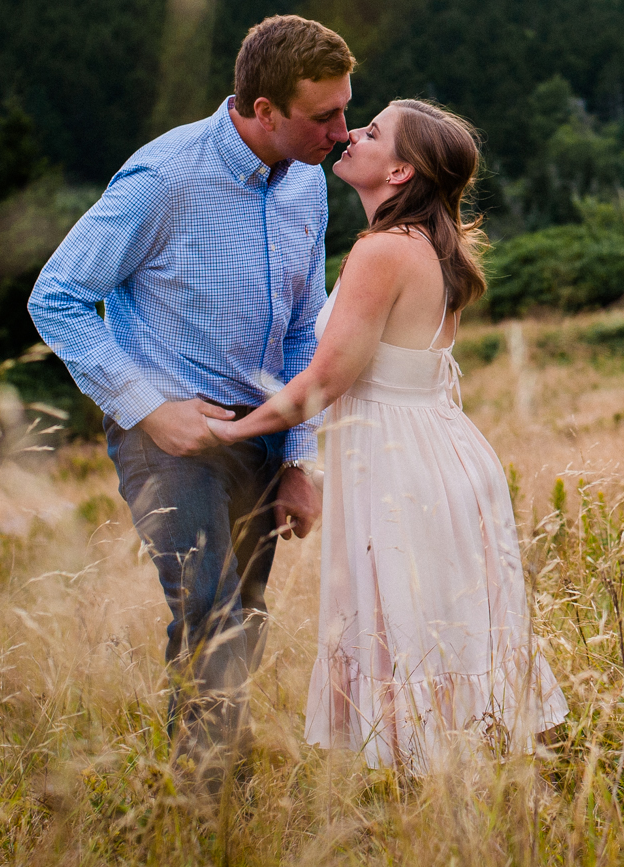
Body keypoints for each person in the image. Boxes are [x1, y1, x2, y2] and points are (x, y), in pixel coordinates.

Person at [26, 15, 354, 782]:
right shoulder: (164, 177)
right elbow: (58, 296)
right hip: (170, 438)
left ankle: (207, 785)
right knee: (211, 613)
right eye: (323, 116)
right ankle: (200, 806)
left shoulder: (308, 179)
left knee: (247, 617)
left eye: (346, 109)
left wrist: (300, 458)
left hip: (267, 431)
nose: (342, 132)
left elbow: (305, 327)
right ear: (264, 110)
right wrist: (148, 408)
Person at [211, 98, 567, 773]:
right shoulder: (430, 245)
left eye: (370, 132)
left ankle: (433, 805)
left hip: (397, 462)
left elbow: (325, 380)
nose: (350, 134)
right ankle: (502, 790)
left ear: (400, 170)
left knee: (409, 630)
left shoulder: (380, 250)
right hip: (440, 450)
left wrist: (228, 428)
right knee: (450, 633)